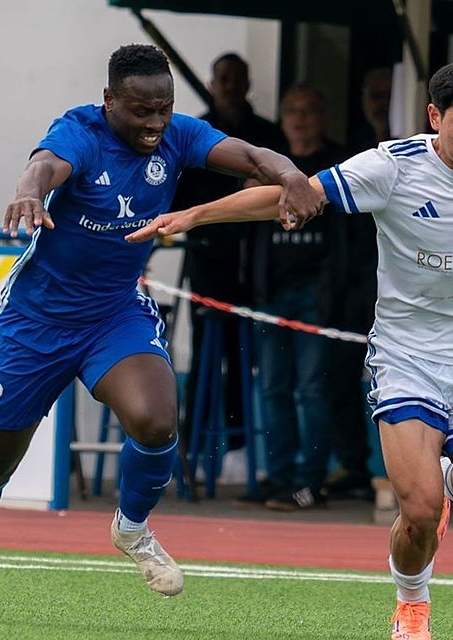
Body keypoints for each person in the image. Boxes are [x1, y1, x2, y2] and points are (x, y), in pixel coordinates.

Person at [127, 56, 453, 639]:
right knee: (419, 511)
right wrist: (196, 216)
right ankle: (412, 604)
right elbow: (296, 190)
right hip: (405, 357)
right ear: (435, 116)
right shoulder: (391, 167)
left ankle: (451, 478)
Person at [0, 43, 321, 619]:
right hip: (38, 320)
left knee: (155, 419)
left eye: (163, 109)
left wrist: (291, 175)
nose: (154, 123)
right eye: (140, 110)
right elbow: (45, 165)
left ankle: (131, 527)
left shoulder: (179, 134)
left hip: (113, 314)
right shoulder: (80, 129)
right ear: (109, 102)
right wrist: (29, 191)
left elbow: (252, 156)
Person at [171, 52, 287, 486]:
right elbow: (177, 199)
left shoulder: (265, 135)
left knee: (247, 358)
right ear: (212, 82)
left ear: (247, 83)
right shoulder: (195, 133)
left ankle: (241, 450)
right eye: (222, 78)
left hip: (257, 263)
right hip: (208, 261)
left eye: (237, 78)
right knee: (204, 357)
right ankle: (192, 452)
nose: (229, 85)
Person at [241, 84, 347, 511]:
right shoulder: (270, 164)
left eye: (309, 110)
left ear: (322, 116)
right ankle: (279, 476)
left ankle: (310, 482)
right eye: (292, 111)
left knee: (311, 390)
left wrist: (338, 290)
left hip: (316, 297)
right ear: (282, 118)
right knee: (271, 388)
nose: (300, 119)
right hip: (272, 293)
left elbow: (350, 239)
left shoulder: (337, 165)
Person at [325, 68, 393, 501]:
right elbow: (312, 193)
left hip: (398, 288)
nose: (379, 101)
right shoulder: (353, 147)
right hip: (348, 281)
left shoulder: (419, 152)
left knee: (394, 385)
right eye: (372, 93)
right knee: (340, 378)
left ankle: (414, 475)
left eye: (388, 94)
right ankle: (354, 467)